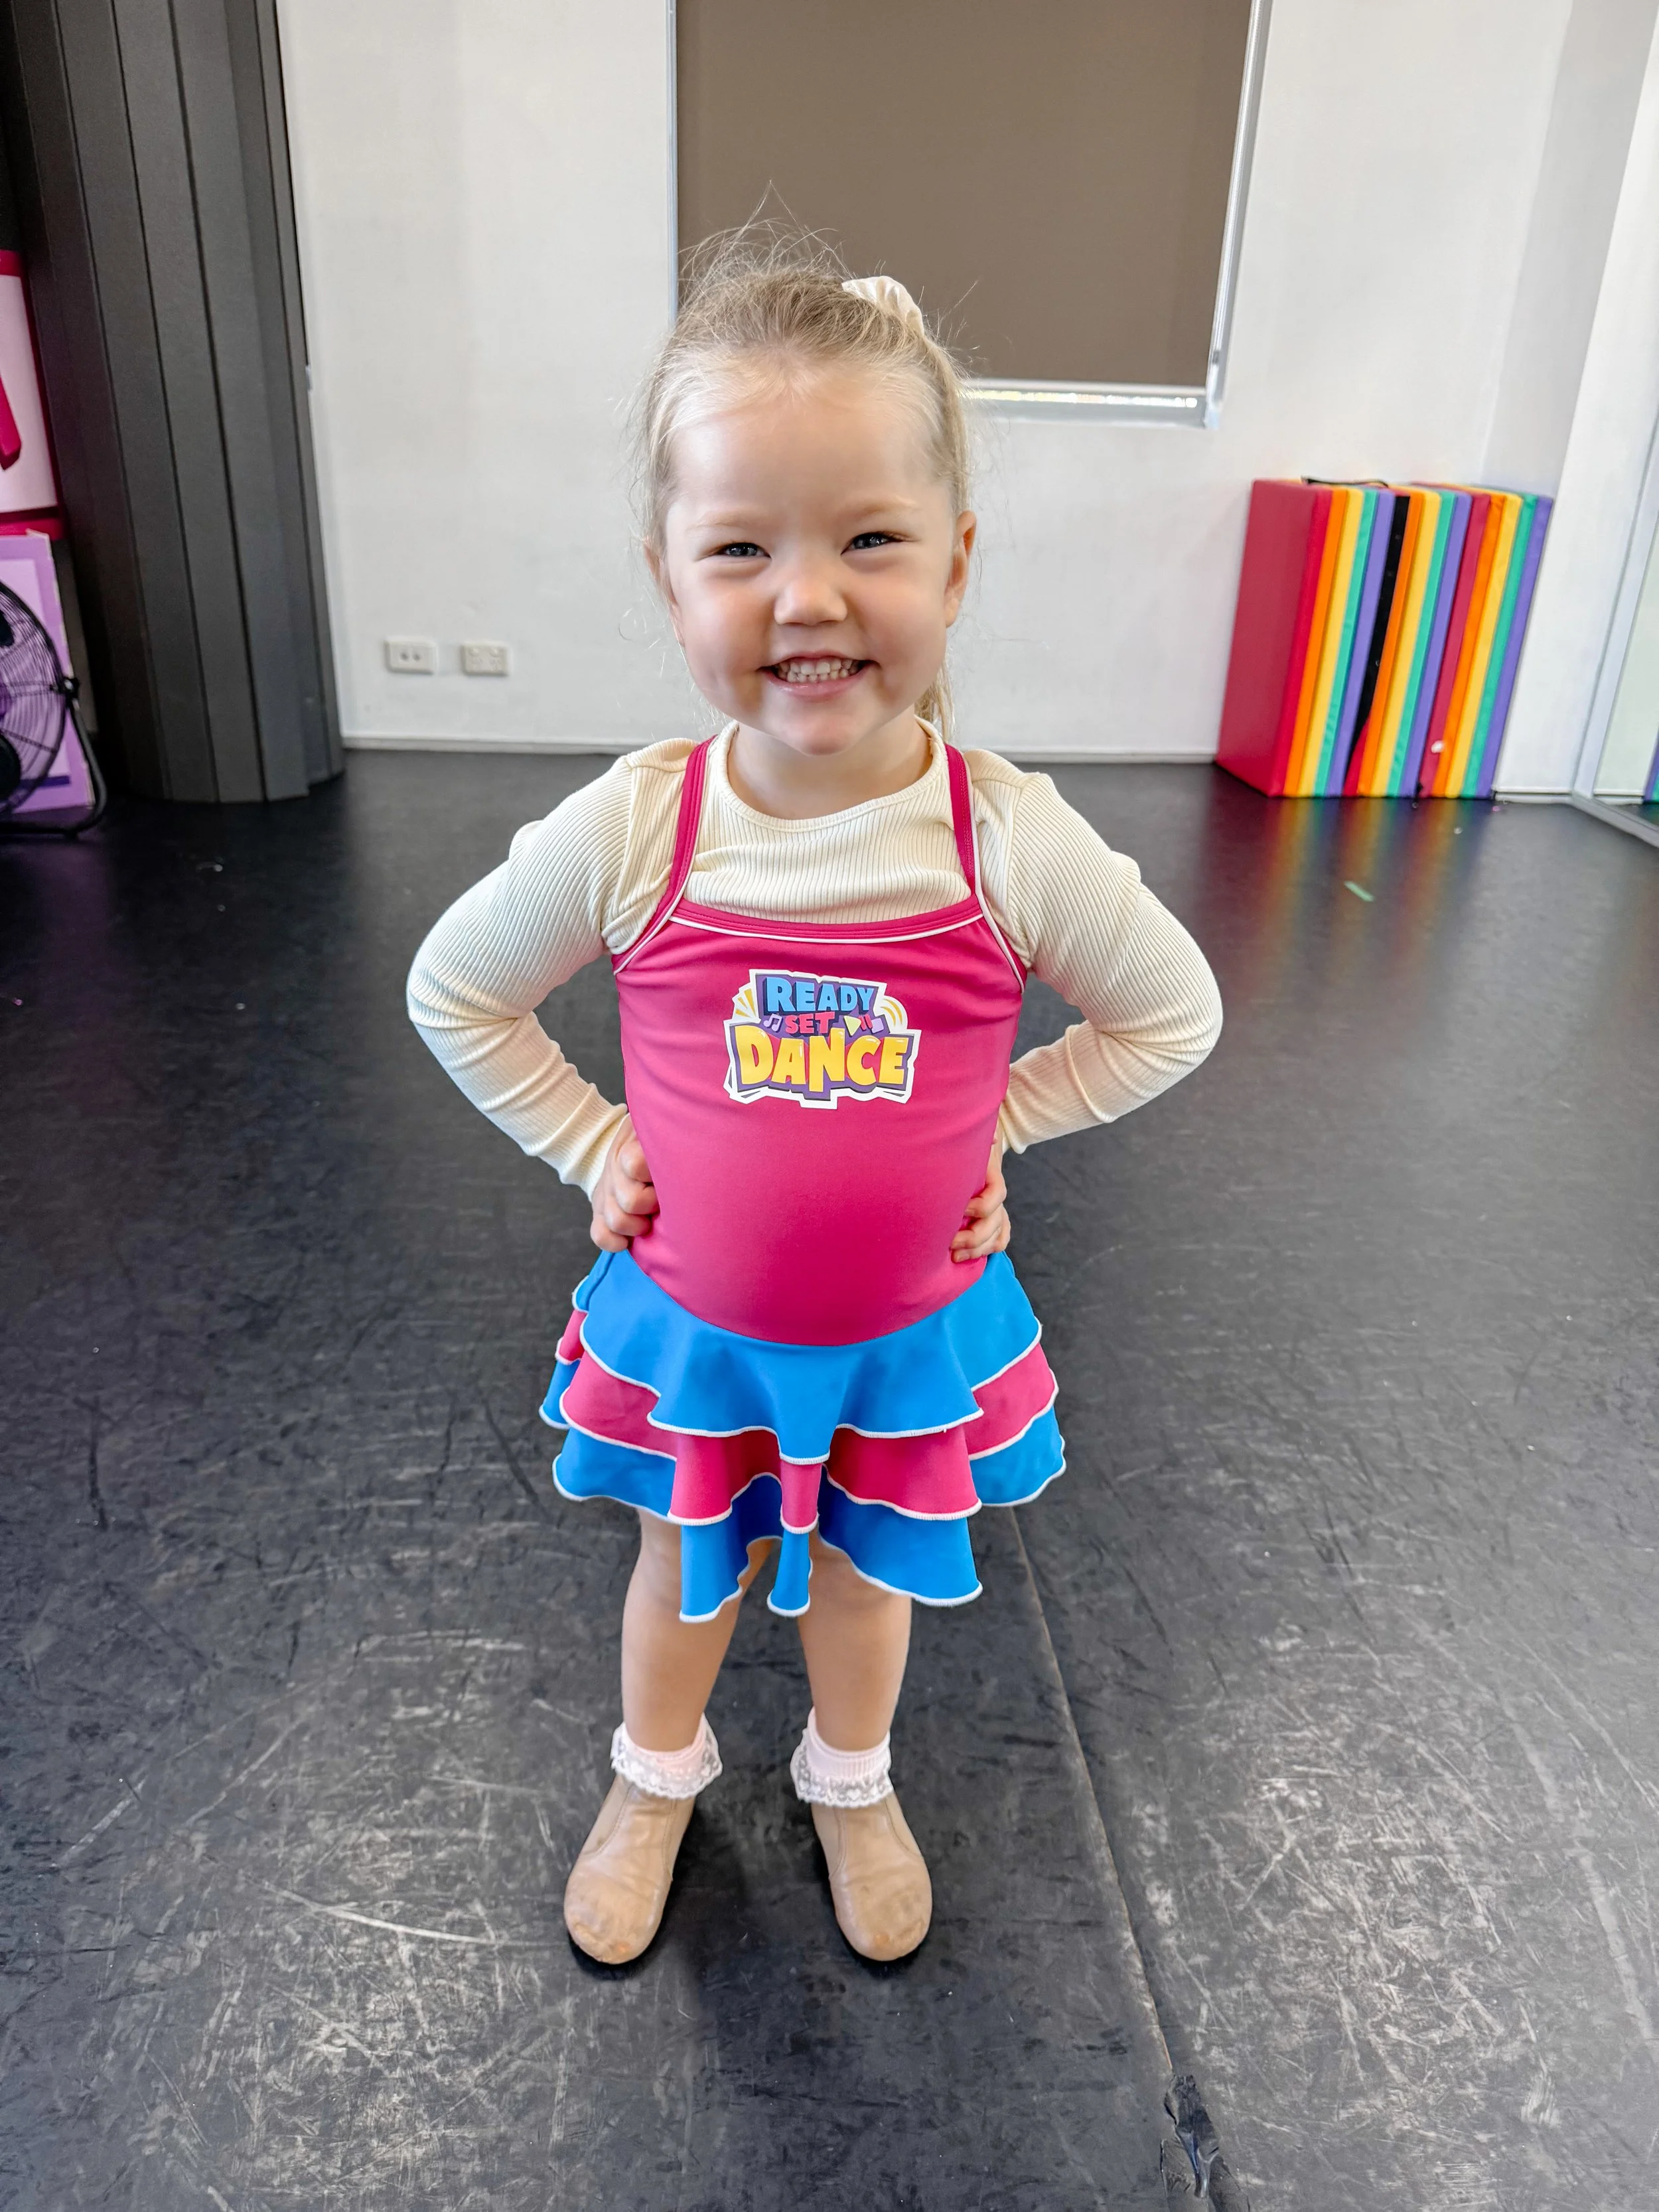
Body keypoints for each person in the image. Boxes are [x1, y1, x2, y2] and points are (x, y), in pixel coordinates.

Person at [407, 244, 1222, 1967]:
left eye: (865, 539)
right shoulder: (638, 828)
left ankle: (849, 1777)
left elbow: (1169, 1012)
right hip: (697, 1330)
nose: (806, 596)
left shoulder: (1004, 838)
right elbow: (455, 987)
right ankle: (655, 1773)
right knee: (679, 1574)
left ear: (954, 560)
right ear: (666, 577)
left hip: (903, 1334)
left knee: (865, 1584)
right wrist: (588, 1137)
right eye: (739, 548)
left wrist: (999, 1121)